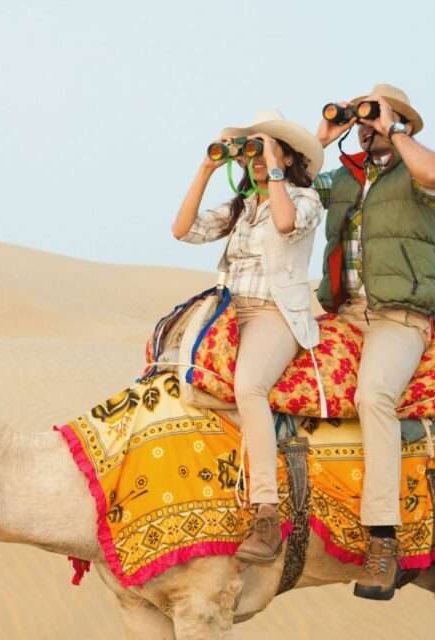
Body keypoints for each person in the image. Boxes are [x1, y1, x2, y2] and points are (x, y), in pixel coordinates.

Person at [314, 84, 435, 600]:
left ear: (403, 123)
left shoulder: (421, 177)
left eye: (376, 116)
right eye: (363, 117)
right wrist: (324, 136)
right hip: (346, 314)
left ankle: (382, 537)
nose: (366, 124)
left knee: (372, 395)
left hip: (401, 317)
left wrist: (393, 127)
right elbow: (296, 189)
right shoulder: (344, 179)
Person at [172, 110, 324, 564]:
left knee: (248, 387)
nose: (254, 158)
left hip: (275, 312)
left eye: (264, 147)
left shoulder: (304, 198)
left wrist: (273, 165)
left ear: (288, 156)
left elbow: (284, 224)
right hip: (228, 312)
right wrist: (207, 168)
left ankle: (266, 511)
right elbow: (183, 230)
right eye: (251, 150)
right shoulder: (241, 206)